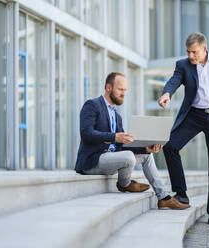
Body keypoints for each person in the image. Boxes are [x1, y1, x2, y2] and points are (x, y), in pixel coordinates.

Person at [158, 32, 209, 224]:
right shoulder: (183, 65)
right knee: (170, 146)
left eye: (194, 52)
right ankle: (181, 194)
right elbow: (174, 81)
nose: (191, 56)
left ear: (204, 49)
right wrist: (167, 94)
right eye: (188, 52)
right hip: (194, 115)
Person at [75, 72, 190, 210]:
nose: (123, 93)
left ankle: (163, 197)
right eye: (120, 89)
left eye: (125, 90)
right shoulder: (92, 105)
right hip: (92, 161)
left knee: (147, 156)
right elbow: (86, 133)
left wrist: (145, 148)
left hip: (111, 159)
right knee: (129, 157)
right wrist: (114, 137)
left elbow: (121, 146)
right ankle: (125, 184)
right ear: (108, 88)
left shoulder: (117, 116)